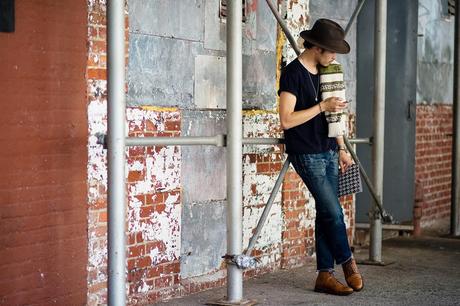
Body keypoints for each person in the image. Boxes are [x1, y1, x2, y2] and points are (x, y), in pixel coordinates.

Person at [278, 19, 363, 295]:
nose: (335, 56)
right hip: (306, 151)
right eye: (332, 51)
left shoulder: (329, 71)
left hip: (328, 149)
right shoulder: (293, 73)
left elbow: (334, 114)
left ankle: (324, 275)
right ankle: (348, 261)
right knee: (333, 212)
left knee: (325, 213)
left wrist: (341, 147)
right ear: (316, 47)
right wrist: (321, 105)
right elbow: (287, 120)